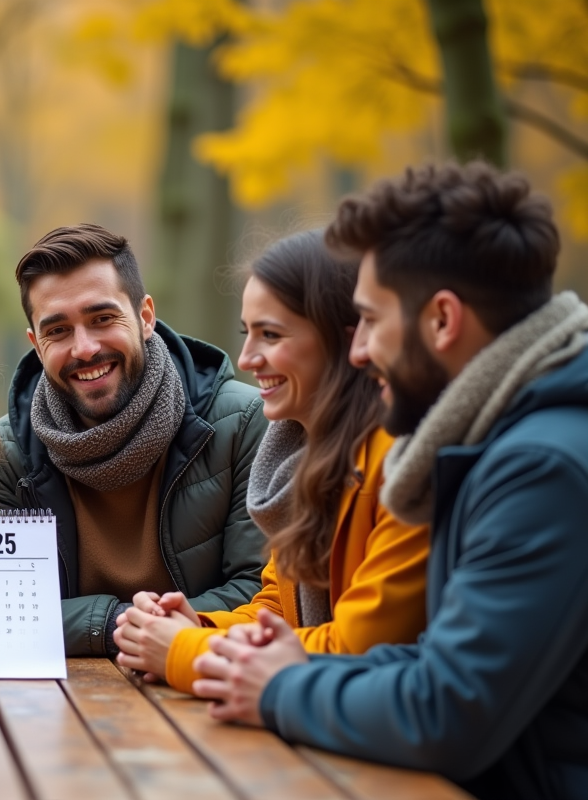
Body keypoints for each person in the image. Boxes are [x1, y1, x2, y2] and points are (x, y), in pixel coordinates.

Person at [192, 163, 588, 800]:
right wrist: (268, 660)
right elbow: (435, 661)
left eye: (371, 321)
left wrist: (278, 685)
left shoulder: (541, 468)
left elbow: (448, 710)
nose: (358, 351)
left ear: (441, 321)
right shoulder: (503, 441)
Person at [112, 229, 429, 688]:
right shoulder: (304, 458)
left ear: (346, 342)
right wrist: (199, 624)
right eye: (247, 333)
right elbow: (280, 608)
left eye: (271, 335)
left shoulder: (402, 464)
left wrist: (184, 651)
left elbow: (359, 648)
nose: (246, 358)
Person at [0, 223, 268, 658]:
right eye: (58, 331)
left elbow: (260, 591)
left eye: (102, 319)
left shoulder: (246, 423)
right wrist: (119, 626)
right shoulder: (5, 453)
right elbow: (0, 611)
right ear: (35, 343)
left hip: (199, 681)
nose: (84, 348)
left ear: (145, 316)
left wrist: (164, 640)